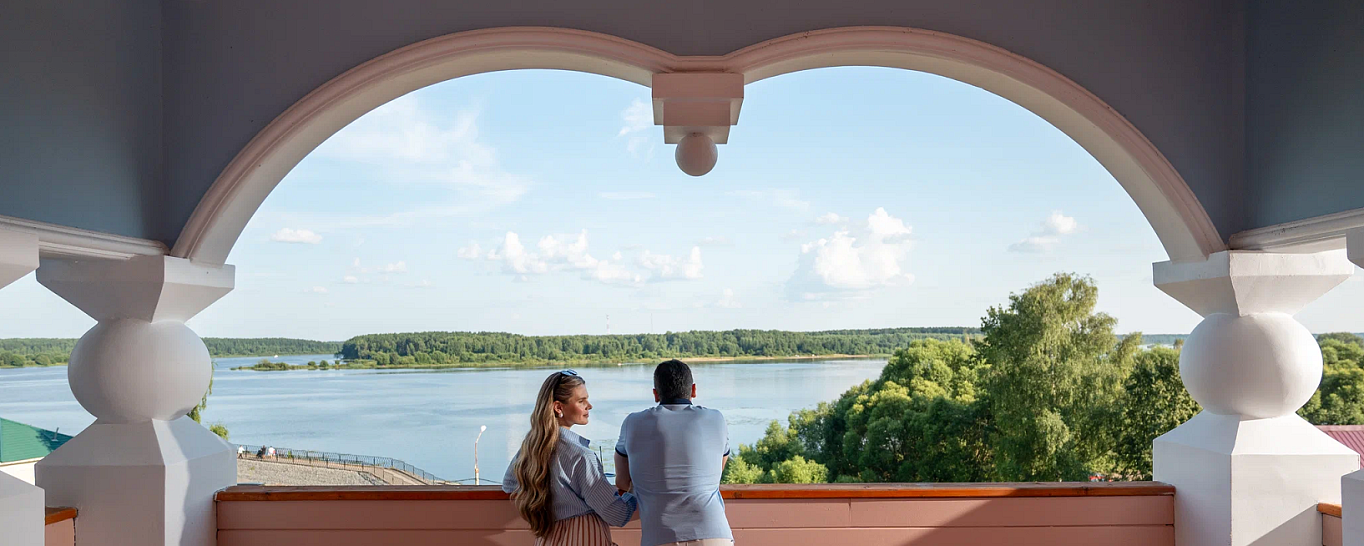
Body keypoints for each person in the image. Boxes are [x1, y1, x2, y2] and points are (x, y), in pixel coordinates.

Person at [504, 370, 636, 545]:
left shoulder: (531, 448)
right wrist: (632, 490)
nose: (589, 406)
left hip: (548, 537)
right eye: (581, 401)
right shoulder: (582, 456)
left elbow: (509, 484)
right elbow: (617, 515)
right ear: (558, 407)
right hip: (584, 536)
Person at [615, 360, 733, 546]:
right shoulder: (716, 418)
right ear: (693, 390)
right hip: (715, 535)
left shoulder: (633, 422)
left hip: (659, 537)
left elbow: (622, 481)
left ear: (655, 394)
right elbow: (718, 470)